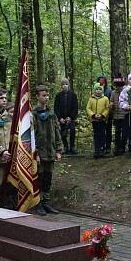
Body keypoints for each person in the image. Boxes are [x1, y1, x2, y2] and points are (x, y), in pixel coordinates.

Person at [32, 85, 63, 215]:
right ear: (38, 97)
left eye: (48, 95)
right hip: (40, 153)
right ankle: (37, 203)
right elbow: (31, 135)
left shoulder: (51, 113)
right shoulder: (33, 113)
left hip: (50, 151)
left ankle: (46, 202)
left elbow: (57, 131)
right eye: (44, 95)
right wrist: (35, 153)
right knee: (39, 177)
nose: (46, 97)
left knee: (48, 178)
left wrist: (59, 150)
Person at [54, 78, 79, 155]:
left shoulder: (73, 95)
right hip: (62, 119)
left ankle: (72, 146)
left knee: (72, 131)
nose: (65, 86)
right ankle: (65, 146)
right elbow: (56, 108)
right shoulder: (58, 96)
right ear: (61, 86)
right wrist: (60, 118)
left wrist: (71, 117)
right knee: (63, 134)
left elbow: (75, 107)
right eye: (63, 84)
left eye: (66, 84)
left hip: (71, 119)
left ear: (68, 85)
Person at [86, 83, 110, 159]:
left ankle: (102, 149)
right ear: (94, 90)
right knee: (96, 135)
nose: (98, 91)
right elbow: (88, 108)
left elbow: (107, 108)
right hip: (94, 120)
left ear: (102, 90)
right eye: (97, 89)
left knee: (102, 134)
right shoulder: (91, 99)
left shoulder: (105, 98)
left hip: (102, 120)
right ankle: (96, 150)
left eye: (100, 89)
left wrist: (103, 115)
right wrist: (93, 115)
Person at [109, 75, 128, 155]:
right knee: (117, 132)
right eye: (117, 85)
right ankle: (117, 147)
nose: (118, 87)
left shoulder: (126, 91)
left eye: (120, 85)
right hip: (116, 116)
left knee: (124, 133)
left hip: (124, 116)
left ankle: (122, 147)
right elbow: (111, 102)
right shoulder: (113, 93)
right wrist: (111, 105)